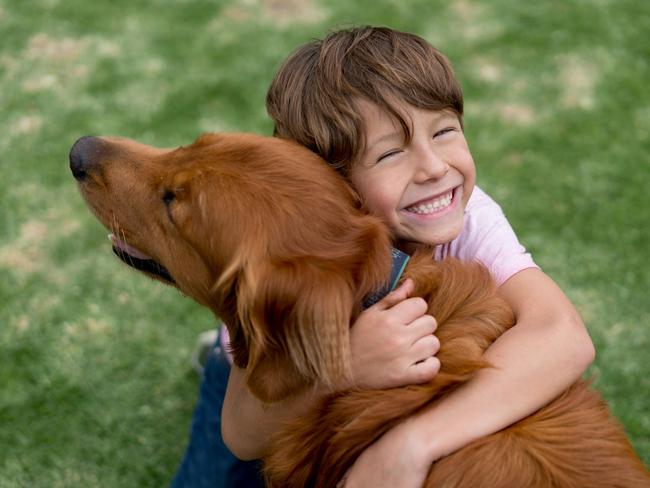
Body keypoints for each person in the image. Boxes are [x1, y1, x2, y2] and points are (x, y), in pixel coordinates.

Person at [172, 26, 595, 487]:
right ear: (335, 186)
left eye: (445, 131)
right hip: (278, 371)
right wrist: (344, 369)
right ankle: (218, 356)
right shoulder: (287, 251)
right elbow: (242, 434)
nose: (434, 167)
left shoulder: (468, 216)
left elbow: (564, 336)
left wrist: (413, 444)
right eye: (391, 153)